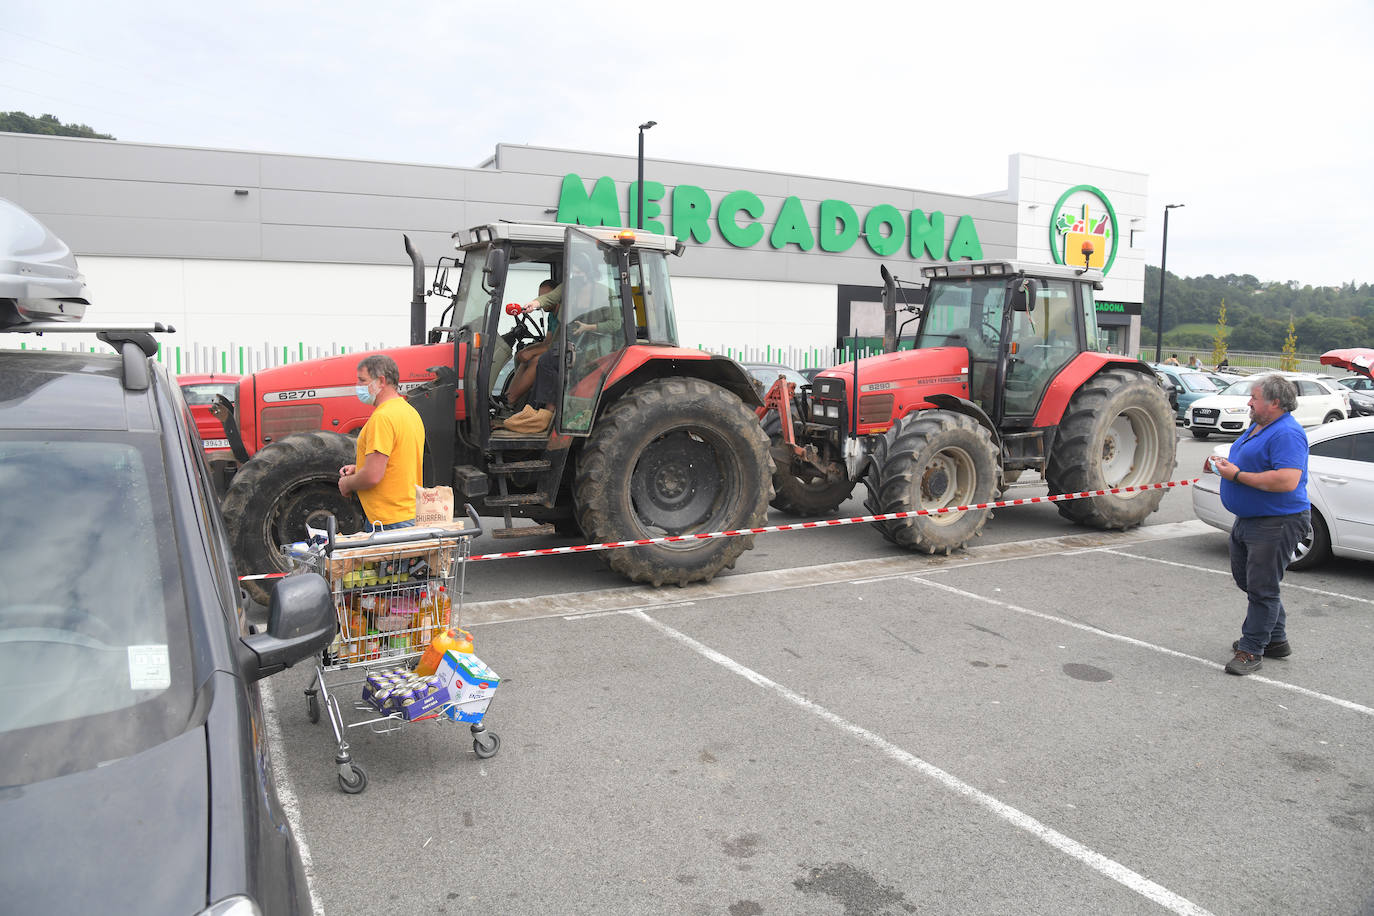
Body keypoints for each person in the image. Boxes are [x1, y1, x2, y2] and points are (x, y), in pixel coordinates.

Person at [1206, 374, 1310, 676]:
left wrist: (1236, 476)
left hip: (1277, 522)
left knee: (1262, 588)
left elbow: (1286, 480)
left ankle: (1251, 650)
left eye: (1255, 398)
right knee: (1247, 580)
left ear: (1275, 402)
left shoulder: (1287, 433)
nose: (1249, 402)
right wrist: (1222, 465)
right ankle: (1275, 638)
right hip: (1250, 519)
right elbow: (1249, 461)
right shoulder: (1260, 425)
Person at [339, 354, 426, 530]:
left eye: (362, 380)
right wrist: (360, 467)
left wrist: (347, 483)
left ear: (381, 381)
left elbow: (372, 476)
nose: (358, 386)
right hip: (408, 514)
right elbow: (399, 461)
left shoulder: (382, 418)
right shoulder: (409, 412)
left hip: (388, 520)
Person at [505, 279, 558, 406]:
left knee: (537, 360)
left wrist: (532, 352)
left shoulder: (563, 314)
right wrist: (527, 351)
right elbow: (548, 341)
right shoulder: (551, 316)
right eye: (540, 296)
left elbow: (556, 344)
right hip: (554, 349)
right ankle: (508, 397)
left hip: (564, 351)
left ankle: (512, 399)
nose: (542, 301)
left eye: (545, 297)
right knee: (523, 356)